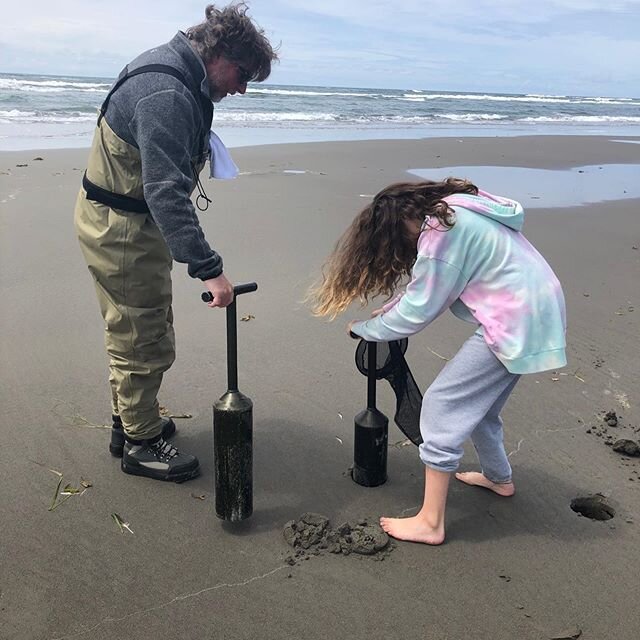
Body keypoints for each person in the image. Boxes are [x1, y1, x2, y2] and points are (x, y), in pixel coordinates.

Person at [74, 4, 278, 483]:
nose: (242, 87)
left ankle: (129, 422)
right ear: (218, 52)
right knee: (141, 336)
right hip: (123, 228)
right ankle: (141, 444)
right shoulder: (166, 91)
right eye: (242, 74)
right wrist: (209, 268)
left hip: (124, 220)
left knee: (134, 326)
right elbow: (164, 191)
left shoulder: (176, 69)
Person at [310, 178, 567, 544]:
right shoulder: (458, 211)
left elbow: (419, 311)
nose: (406, 247)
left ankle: (431, 522)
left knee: (443, 405)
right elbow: (421, 290)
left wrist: (367, 328)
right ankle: (499, 478)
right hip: (539, 309)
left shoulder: (441, 232)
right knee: (481, 409)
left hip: (515, 321)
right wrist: (384, 314)